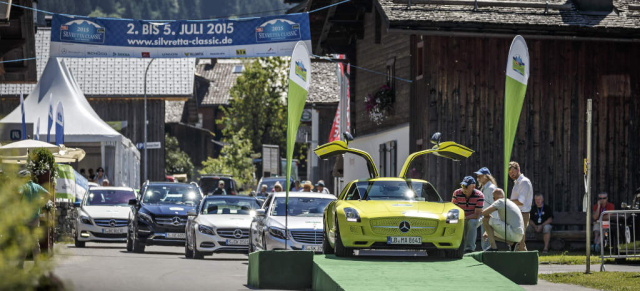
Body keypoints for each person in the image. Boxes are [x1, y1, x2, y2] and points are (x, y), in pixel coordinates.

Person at [19, 174, 50, 268]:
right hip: (35, 217)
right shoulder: (36, 186)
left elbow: (18, 194)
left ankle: (20, 265)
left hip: (25, 217)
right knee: (35, 241)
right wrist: (42, 204)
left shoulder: (23, 186)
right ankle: (37, 264)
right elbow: (48, 194)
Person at [451, 176, 484, 253]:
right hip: (462, 217)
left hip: (476, 217)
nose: (464, 188)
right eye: (463, 186)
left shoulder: (479, 195)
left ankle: (469, 248)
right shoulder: (456, 193)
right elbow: (454, 209)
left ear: (473, 187)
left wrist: (464, 218)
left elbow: (476, 215)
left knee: (471, 222)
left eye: (466, 186)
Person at [509, 161, 533, 251]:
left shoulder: (524, 182)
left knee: (520, 241)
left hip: (523, 214)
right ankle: (525, 262)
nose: (511, 174)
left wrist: (507, 202)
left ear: (518, 169)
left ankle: (527, 262)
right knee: (519, 241)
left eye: (513, 172)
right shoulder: (517, 182)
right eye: (509, 173)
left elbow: (520, 202)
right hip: (518, 213)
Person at [475, 167, 498, 251]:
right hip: (485, 217)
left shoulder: (491, 188)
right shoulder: (485, 188)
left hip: (490, 218)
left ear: (486, 176)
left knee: (487, 242)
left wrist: (492, 220)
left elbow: (495, 206)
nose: (478, 177)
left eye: (480, 175)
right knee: (484, 241)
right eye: (477, 176)